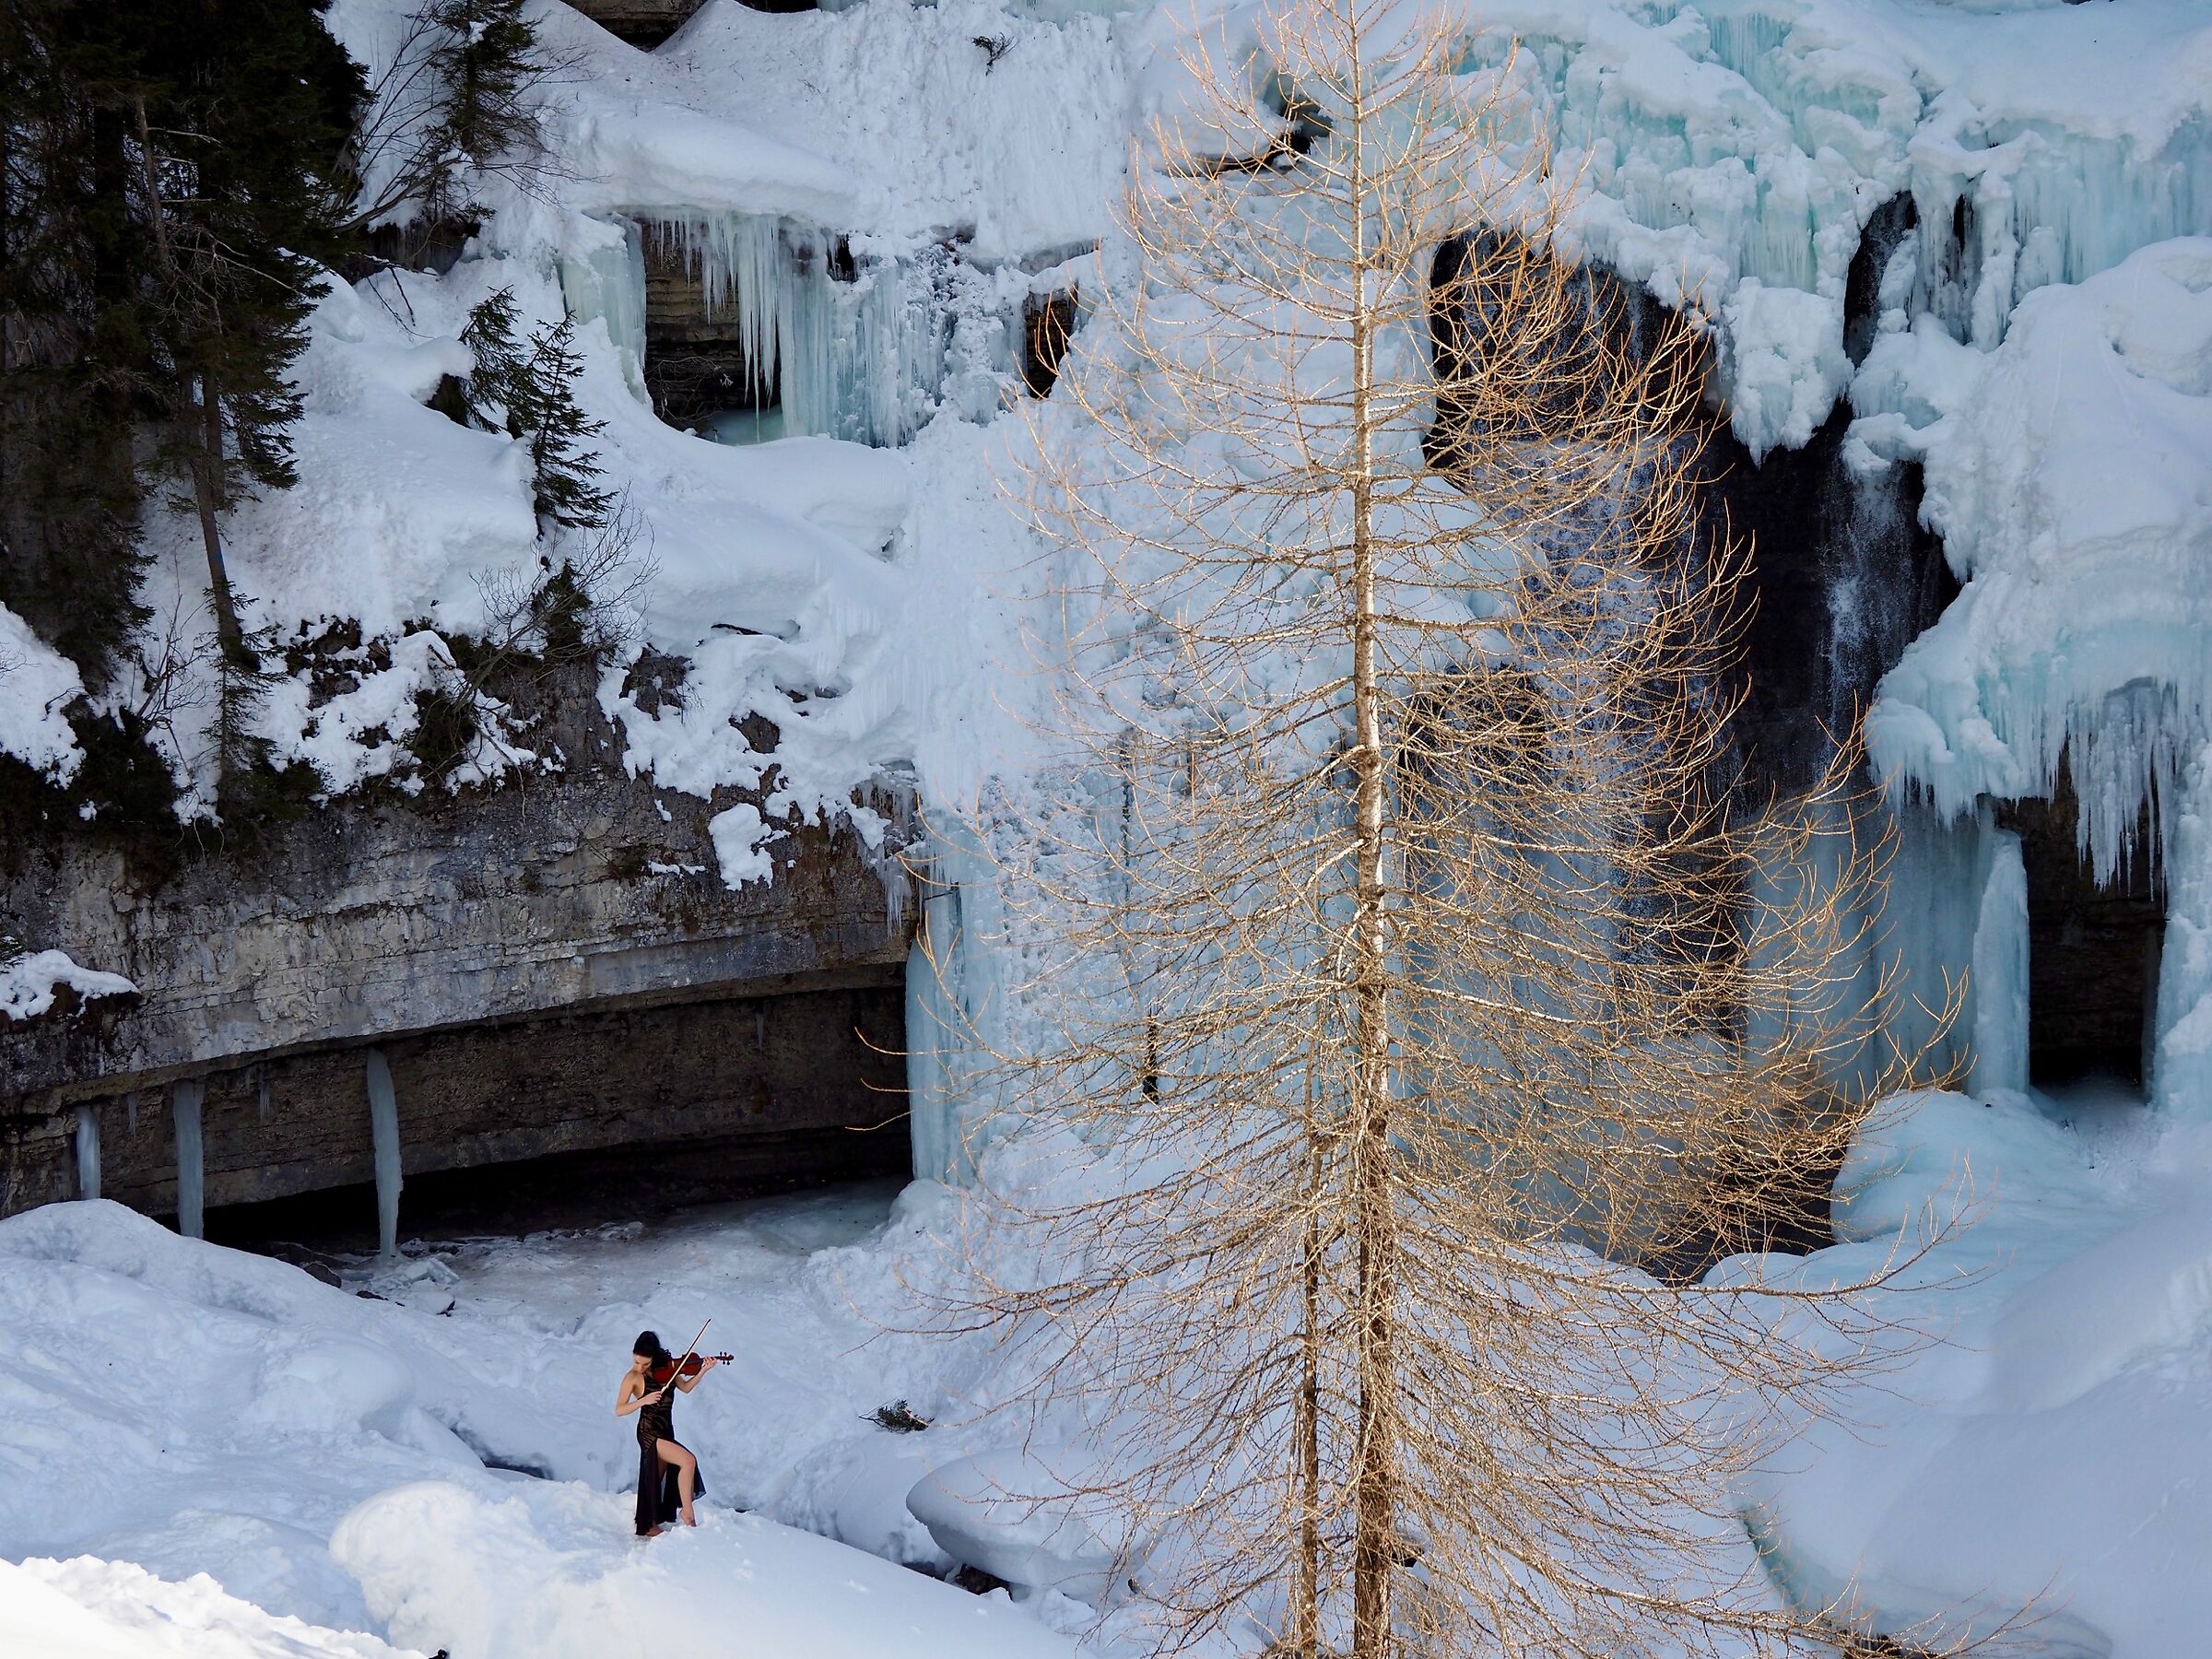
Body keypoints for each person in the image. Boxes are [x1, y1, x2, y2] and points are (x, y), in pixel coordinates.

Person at [616, 1330, 723, 1536]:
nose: (640, 1367)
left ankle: (649, 1523)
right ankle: (688, 1514)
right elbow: (619, 1409)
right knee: (688, 1461)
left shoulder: (669, 1369)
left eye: (645, 1364)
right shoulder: (632, 1377)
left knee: (656, 1477)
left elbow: (686, 1387)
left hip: (666, 1429)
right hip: (649, 1432)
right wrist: (642, 1401)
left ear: (654, 1357)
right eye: (637, 1362)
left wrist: (702, 1371)